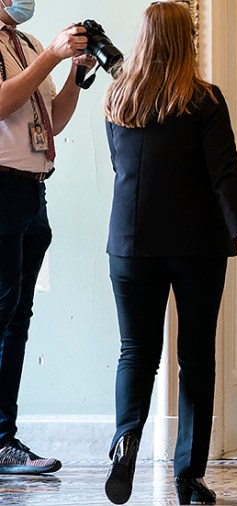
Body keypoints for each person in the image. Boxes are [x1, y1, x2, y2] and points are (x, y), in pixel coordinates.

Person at [100, 2, 237, 504]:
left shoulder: (118, 97)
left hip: (130, 244)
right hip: (195, 245)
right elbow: (224, 175)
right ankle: (188, 476)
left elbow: (118, 165)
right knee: (194, 358)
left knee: (136, 351)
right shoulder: (205, 101)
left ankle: (126, 439)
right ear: (187, 40)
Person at [0, 0, 95, 475]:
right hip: (1, 186)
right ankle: (0, 440)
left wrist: (75, 73)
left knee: (18, 317)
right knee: (1, 315)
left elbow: (52, 121)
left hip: (33, 190)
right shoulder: (36, 52)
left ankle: (5, 439)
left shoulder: (29, 44)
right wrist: (50, 58)